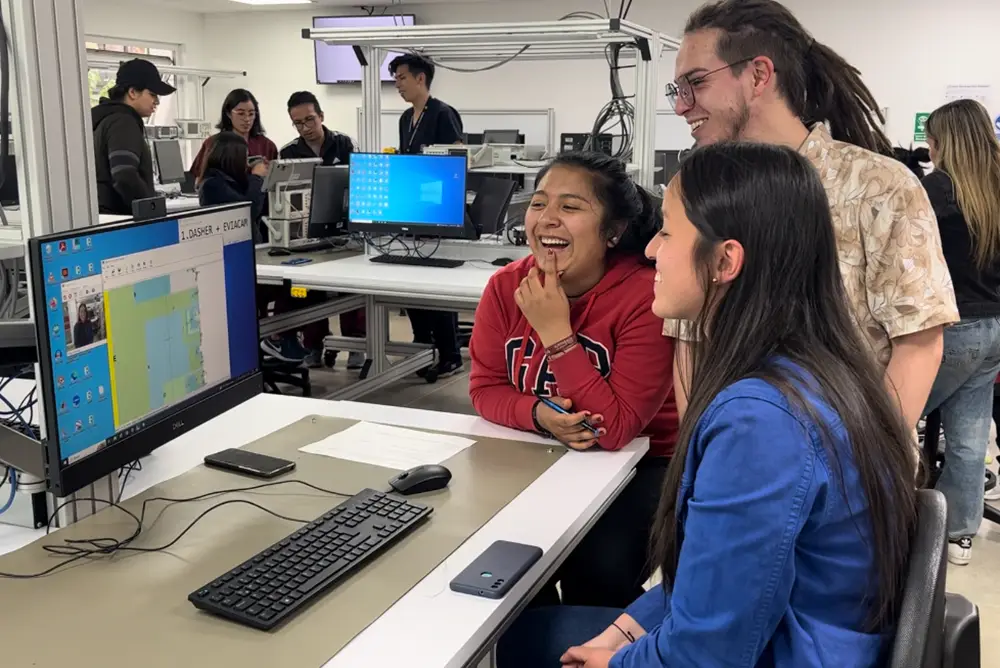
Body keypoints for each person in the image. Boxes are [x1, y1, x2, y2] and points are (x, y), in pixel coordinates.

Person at [498, 142, 920, 668]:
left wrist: (616, 661)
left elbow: (705, 656)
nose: (650, 250)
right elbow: (725, 577)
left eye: (668, 232)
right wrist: (630, 625)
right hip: (802, 633)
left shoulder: (762, 422)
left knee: (522, 639)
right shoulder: (822, 371)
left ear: (725, 260)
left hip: (784, 653)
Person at [663, 0, 958, 433]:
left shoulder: (879, 187)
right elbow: (689, 340)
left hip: (846, 471)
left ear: (759, 75)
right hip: (731, 466)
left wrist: (863, 470)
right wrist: (700, 455)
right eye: (678, 90)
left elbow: (918, 342)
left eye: (696, 83)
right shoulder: (698, 190)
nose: (681, 106)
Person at [469, 153, 677, 608]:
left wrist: (557, 335)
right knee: (500, 563)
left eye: (570, 207)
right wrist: (539, 415)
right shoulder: (507, 287)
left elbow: (617, 427)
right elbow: (484, 388)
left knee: (596, 569)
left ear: (613, 231)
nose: (547, 219)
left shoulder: (645, 296)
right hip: (542, 449)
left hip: (641, 461)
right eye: (539, 203)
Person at [920, 99, 1000, 566]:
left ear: (943, 140)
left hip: (951, 327)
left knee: (885, 419)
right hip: (993, 329)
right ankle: (958, 536)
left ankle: (876, 516)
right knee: (969, 437)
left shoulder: (935, 190)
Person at [389, 53, 465, 378]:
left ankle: (449, 353)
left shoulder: (443, 114)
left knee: (435, 285)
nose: (398, 85)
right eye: (395, 80)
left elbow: (456, 160)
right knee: (412, 281)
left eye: (402, 78)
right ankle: (421, 348)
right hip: (412, 206)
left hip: (436, 206)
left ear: (421, 79)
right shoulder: (406, 119)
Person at [279, 91, 366, 370]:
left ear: (321, 116)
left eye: (310, 120)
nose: (305, 128)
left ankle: (357, 345)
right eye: (298, 123)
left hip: (344, 226)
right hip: (307, 229)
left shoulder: (344, 143)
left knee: (351, 288)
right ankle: (314, 344)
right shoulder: (288, 153)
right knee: (309, 289)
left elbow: (361, 182)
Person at [92, 58, 176, 215]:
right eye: (152, 94)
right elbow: (124, 174)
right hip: (120, 221)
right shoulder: (123, 121)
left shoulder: (105, 119)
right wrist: (151, 211)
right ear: (132, 92)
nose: (156, 101)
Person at [190, 89, 278, 180]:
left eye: (251, 114)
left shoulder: (267, 145)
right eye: (241, 113)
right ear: (228, 113)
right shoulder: (214, 143)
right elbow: (199, 179)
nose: (247, 119)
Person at [197, 131, 268, 235]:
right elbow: (247, 212)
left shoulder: (232, 181)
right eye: (245, 158)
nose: (246, 164)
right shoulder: (212, 185)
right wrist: (256, 177)